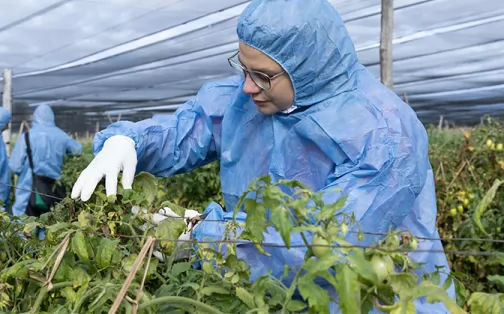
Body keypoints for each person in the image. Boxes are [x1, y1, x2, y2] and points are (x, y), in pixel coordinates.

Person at [71, 0, 455, 312]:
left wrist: (201, 237)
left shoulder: (386, 136)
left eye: (265, 76)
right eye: (243, 68)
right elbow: (188, 130)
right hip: (272, 296)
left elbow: (327, 245)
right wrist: (127, 141)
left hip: (376, 301)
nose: (248, 86)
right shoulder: (250, 100)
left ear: (308, 70)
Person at [9, 104, 82, 224]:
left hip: (28, 187)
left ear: (35, 118)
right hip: (53, 187)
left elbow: (15, 165)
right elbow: (77, 151)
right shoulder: (61, 135)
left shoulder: (27, 137)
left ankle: (24, 242)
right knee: (50, 222)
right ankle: (45, 242)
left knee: (21, 221)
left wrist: (24, 172)